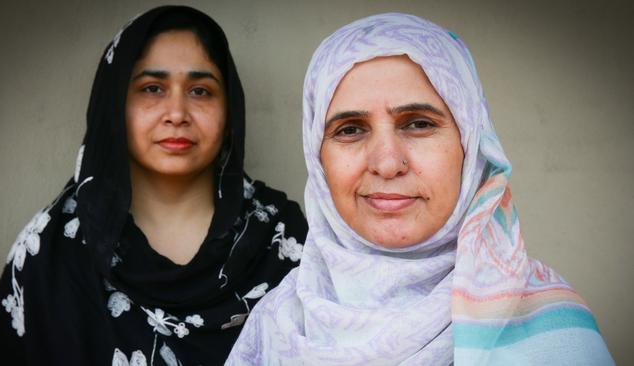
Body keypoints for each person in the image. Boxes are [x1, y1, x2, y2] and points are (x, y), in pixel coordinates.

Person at [226, 13, 614, 365]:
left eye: (419, 124)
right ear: (317, 157)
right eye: (350, 129)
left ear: (470, 144)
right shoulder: (280, 325)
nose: (387, 163)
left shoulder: (550, 328)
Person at [0, 6, 307, 365]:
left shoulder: (282, 239)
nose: (177, 113)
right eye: (152, 88)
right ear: (115, 106)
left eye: (200, 91)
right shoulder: (53, 248)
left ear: (230, 111)